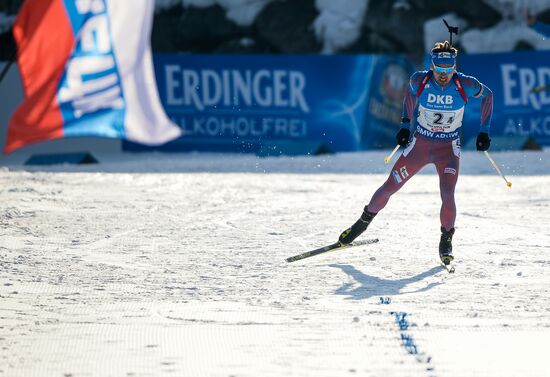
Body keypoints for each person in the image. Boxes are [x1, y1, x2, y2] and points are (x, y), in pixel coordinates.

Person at [337, 40, 494, 265]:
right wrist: (404, 124)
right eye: (438, 70)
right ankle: (360, 224)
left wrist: (484, 131)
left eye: (447, 70)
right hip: (420, 146)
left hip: (448, 149)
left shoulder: (465, 85)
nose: (442, 75)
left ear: (454, 67)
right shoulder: (419, 80)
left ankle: (446, 240)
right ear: (432, 66)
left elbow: (488, 96)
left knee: (447, 193)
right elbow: (410, 94)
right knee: (389, 186)